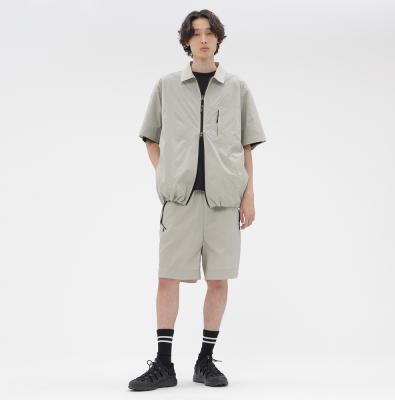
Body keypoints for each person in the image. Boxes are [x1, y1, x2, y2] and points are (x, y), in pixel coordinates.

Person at [128, 9, 266, 391]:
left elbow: (246, 146)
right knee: (167, 278)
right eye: (196, 33)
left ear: (218, 39)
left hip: (224, 201)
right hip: (181, 202)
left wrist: (249, 195)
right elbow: (150, 138)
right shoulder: (167, 86)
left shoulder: (237, 88)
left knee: (219, 280)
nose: (203, 39)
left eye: (209, 33)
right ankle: (163, 364)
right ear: (186, 41)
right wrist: (165, 173)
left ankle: (205, 360)